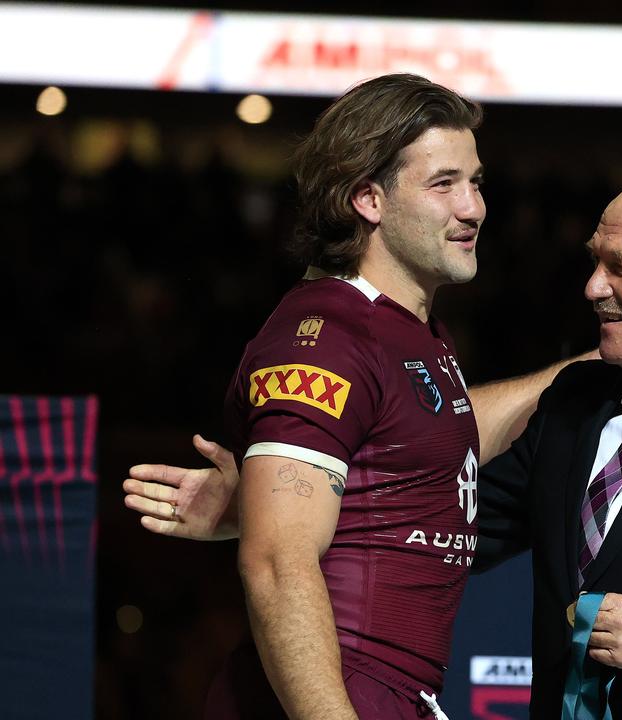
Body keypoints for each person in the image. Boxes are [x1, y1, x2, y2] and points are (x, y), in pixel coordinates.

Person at [127, 176, 622, 718]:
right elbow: (443, 525)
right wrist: (271, 504)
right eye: (594, 259)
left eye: (618, 267)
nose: (590, 286)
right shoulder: (572, 408)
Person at [123, 73, 584, 720]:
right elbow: (278, 563)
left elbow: (434, 436)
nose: (474, 207)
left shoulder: (410, 330)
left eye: (475, 181)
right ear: (368, 199)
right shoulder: (327, 338)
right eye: (443, 183)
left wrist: (587, 370)